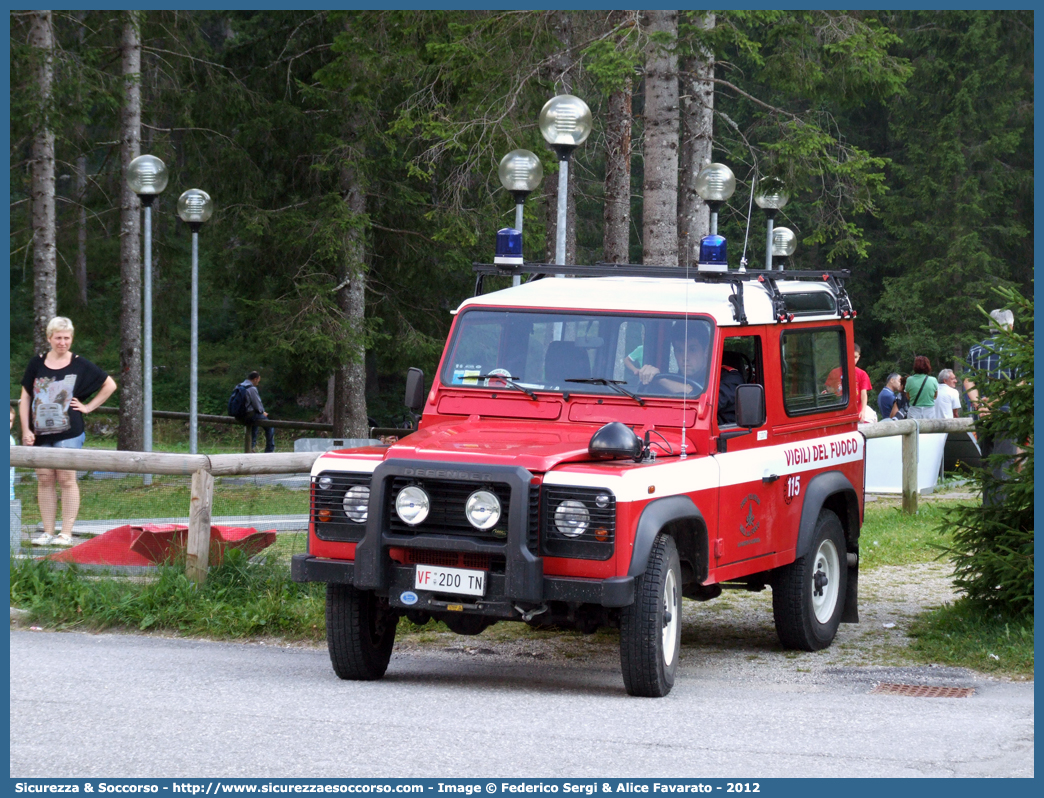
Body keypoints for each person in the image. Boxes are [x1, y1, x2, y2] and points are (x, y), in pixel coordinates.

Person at [19, 316, 117, 546]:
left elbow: (110, 384)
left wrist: (88, 407)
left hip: (69, 431)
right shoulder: (37, 363)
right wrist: (26, 429)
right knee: (44, 479)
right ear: (49, 338)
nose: (62, 342)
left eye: (66, 338)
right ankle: (47, 532)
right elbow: (25, 398)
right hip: (39, 432)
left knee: (66, 478)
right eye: (58, 338)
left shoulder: (80, 363)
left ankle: (66, 533)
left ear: (71, 339)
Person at [634, 323, 744, 424]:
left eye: (692, 350)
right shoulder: (671, 380)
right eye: (680, 350)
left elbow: (705, 402)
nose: (685, 358)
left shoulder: (731, 379)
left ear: (706, 351)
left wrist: (660, 380)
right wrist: (649, 376)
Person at [964, 308, 1017, 482]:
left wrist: (980, 405)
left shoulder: (976, 350)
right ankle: (1001, 508)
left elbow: (967, 381)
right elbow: (1020, 384)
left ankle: (988, 507)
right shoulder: (1016, 350)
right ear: (1010, 326)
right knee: (1005, 464)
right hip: (1007, 415)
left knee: (987, 463)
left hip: (982, 417)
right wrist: (993, 403)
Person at [238, 370, 275, 453]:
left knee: (254, 424)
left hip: (239, 415)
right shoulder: (251, 388)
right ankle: (269, 450)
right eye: (258, 380)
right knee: (270, 426)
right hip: (248, 414)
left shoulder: (239, 386)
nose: (258, 382)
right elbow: (257, 404)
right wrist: (263, 412)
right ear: (255, 379)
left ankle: (251, 447)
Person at [853, 344, 874, 422]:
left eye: (855, 357)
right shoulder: (835, 373)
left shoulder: (862, 374)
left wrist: (863, 411)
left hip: (857, 413)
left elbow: (863, 394)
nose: (853, 359)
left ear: (859, 357)